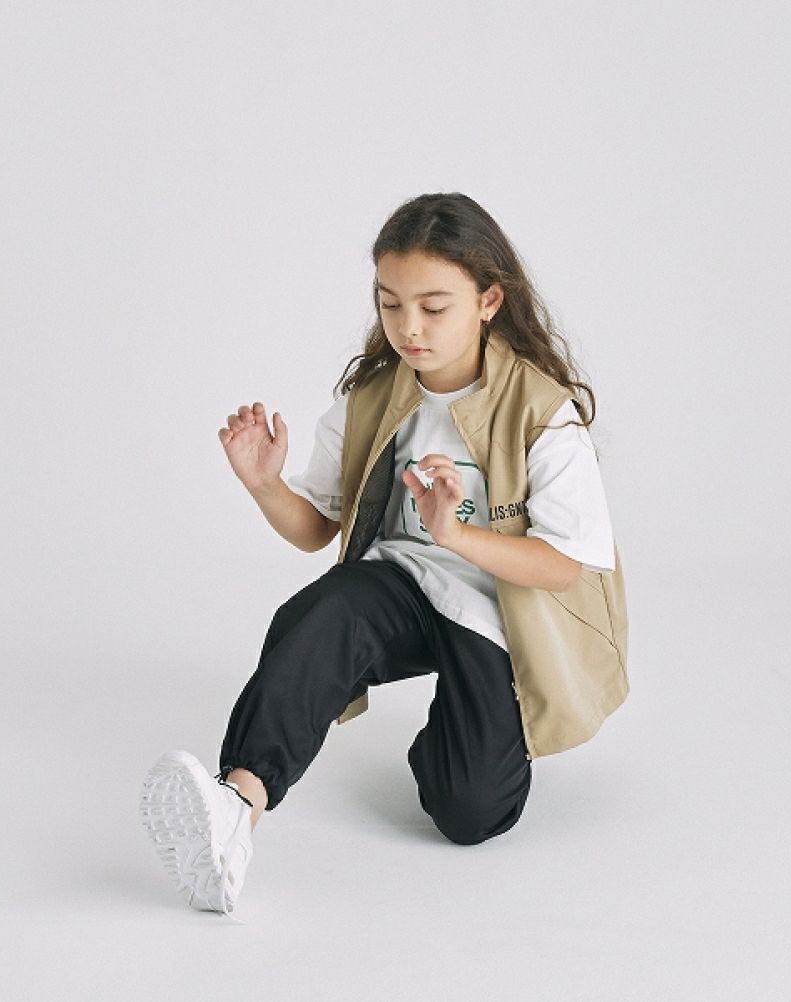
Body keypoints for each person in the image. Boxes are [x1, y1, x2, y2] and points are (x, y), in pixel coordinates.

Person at [139, 191, 629, 917]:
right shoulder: (372, 399)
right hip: (398, 590)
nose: (409, 327)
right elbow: (316, 529)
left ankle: (465, 733)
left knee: (469, 813)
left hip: (498, 614)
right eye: (391, 303)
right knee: (323, 613)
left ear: (489, 301)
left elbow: (563, 566)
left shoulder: (541, 411)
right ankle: (235, 808)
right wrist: (266, 484)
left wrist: (457, 536)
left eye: (433, 307)